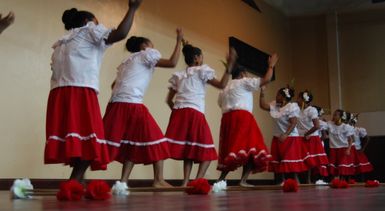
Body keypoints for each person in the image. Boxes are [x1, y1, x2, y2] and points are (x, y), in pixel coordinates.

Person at [44, 0, 142, 181]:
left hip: (59, 94)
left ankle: (77, 180)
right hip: (80, 92)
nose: (100, 25)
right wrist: (133, 9)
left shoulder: (61, 44)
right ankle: (75, 180)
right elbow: (120, 33)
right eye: (97, 21)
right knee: (89, 138)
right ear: (88, 21)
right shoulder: (89, 31)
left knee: (77, 139)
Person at [103, 29, 184, 188]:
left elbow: (114, 85)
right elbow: (172, 63)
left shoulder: (127, 62)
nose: (154, 47)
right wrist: (179, 41)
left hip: (116, 104)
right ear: (144, 45)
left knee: (131, 143)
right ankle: (158, 180)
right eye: (151, 44)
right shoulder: (147, 53)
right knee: (157, 139)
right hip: (131, 104)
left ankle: (123, 181)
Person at [165, 43, 237, 186]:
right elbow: (222, 85)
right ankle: (198, 181)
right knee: (207, 150)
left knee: (188, 150)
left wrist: (179, 113)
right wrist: (229, 68)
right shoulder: (202, 71)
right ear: (197, 58)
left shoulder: (179, 75)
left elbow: (168, 100)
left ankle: (185, 182)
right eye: (201, 57)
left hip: (179, 114)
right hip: (194, 113)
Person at [216, 53, 278, 186]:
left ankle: (221, 179)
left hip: (227, 120)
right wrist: (271, 66)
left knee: (232, 150)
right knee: (253, 148)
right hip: (242, 118)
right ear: (243, 73)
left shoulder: (225, 87)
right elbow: (266, 79)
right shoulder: (244, 82)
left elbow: (220, 103)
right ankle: (243, 180)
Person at [259, 86, 310, 183]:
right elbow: (263, 106)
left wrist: (286, 134)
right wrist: (262, 93)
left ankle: (296, 182)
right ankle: (282, 182)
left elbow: (293, 122)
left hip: (290, 137)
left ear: (283, 97)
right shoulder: (275, 105)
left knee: (290, 161)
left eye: (278, 94)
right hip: (278, 137)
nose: (276, 96)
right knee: (279, 160)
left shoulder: (291, 107)